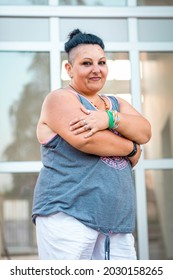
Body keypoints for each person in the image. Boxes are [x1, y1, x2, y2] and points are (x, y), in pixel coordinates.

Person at [32, 29, 151, 260]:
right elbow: (88, 139)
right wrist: (132, 148)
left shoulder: (116, 102)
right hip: (66, 216)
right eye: (87, 63)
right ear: (69, 69)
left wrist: (108, 118)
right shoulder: (60, 99)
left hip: (116, 225)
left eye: (102, 62)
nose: (96, 69)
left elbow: (145, 131)